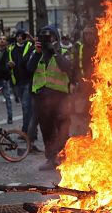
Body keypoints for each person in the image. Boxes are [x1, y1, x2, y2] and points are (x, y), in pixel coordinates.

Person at [27, 26, 72, 170]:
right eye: (44, 36)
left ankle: (65, 157)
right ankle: (51, 159)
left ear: (56, 38)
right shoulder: (37, 53)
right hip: (41, 99)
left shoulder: (63, 52)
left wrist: (55, 52)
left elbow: (68, 68)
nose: (47, 39)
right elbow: (28, 69)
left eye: (50, 36)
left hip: (60, 98)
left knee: (62, 128)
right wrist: (37, 52)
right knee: (46, 130)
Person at [8, 30, 34, 137]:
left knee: (25, 106)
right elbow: (7, 62)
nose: (19, 38)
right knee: (27, 108)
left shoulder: (29, 46)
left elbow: (37, 47)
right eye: (18, 36)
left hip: (28, 81)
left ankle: (25, 131)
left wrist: (30, 37)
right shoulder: (12, 49)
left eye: (21, 36)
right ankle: (31, 131)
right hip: (17, 81)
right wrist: (9, 65)